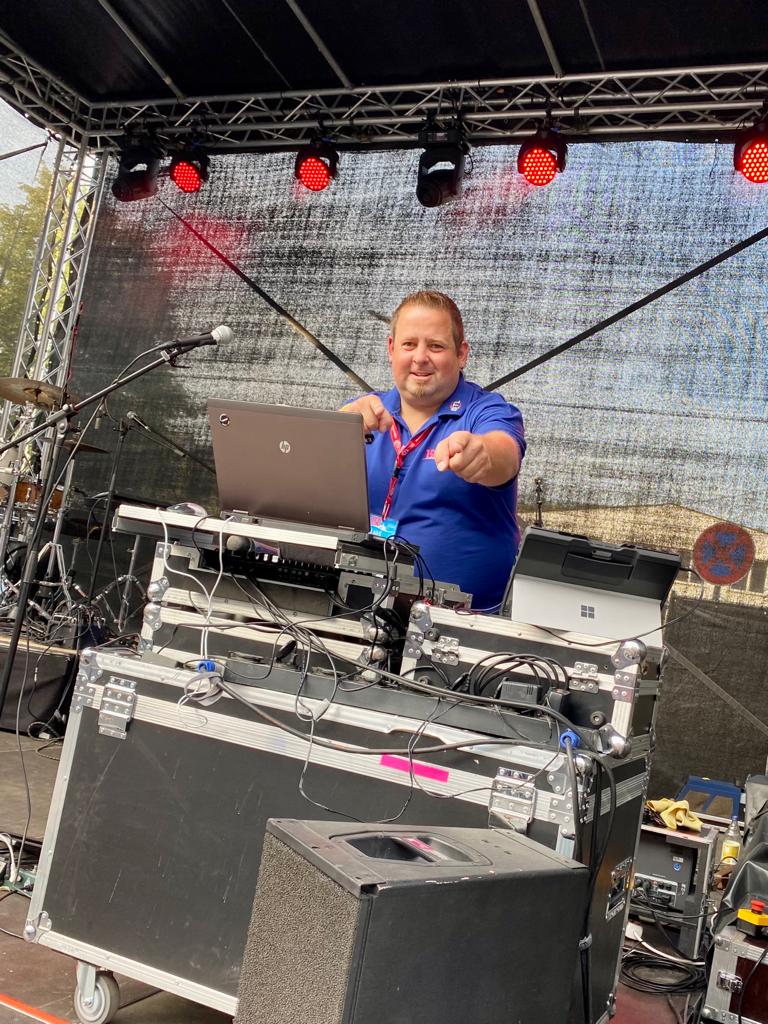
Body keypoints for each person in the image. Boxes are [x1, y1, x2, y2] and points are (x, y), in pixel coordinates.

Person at [340, 291, 525, 611]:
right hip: (356, 609)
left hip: (462, 622)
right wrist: (336, 429)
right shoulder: (363, 413)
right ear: (391, 349)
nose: (420, 357)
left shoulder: (487, 411)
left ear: (461, 354)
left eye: (436, 346)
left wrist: (480, 453)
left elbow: (504, 454)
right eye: (409, 344)